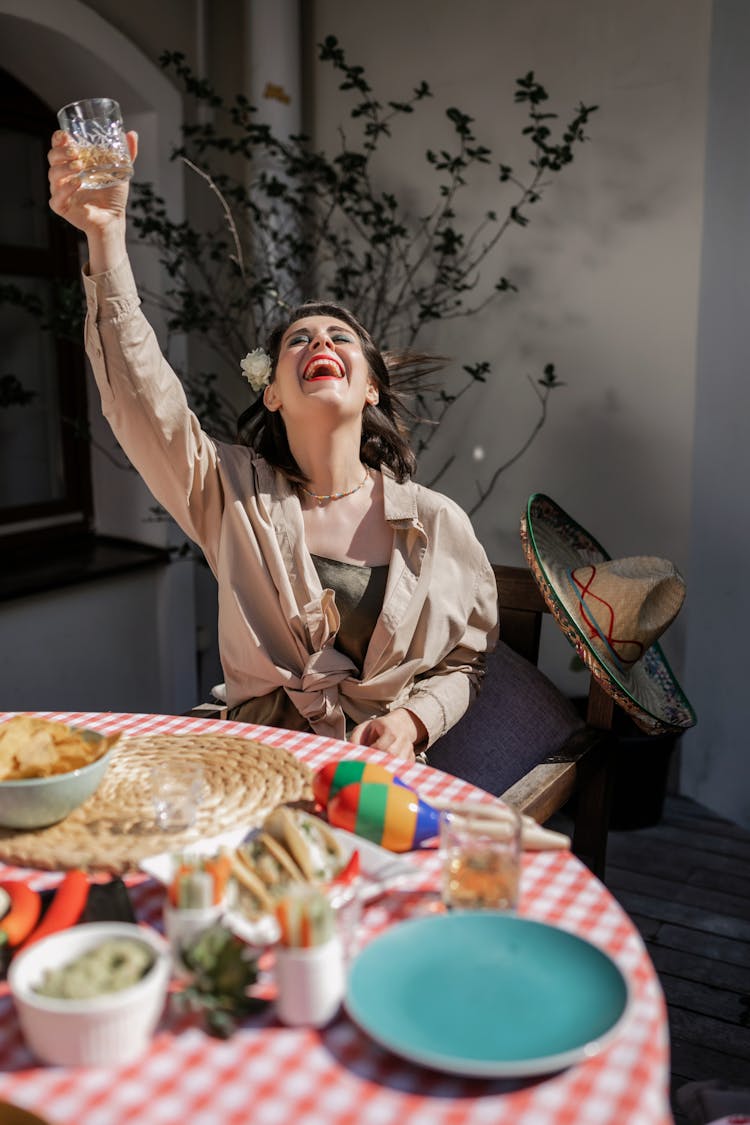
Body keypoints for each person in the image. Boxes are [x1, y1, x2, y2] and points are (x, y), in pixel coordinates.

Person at [47, 129, 498, 764]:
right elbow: (143, 400)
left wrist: (412, 724)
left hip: (372, 774)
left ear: (371, 389)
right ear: (273, 395)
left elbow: (464, 663)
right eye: (298, 339)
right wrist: (104, 237)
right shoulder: (227, 491)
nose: (320, 344)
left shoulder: (436, 523)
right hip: (248, 758)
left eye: (339, 337)